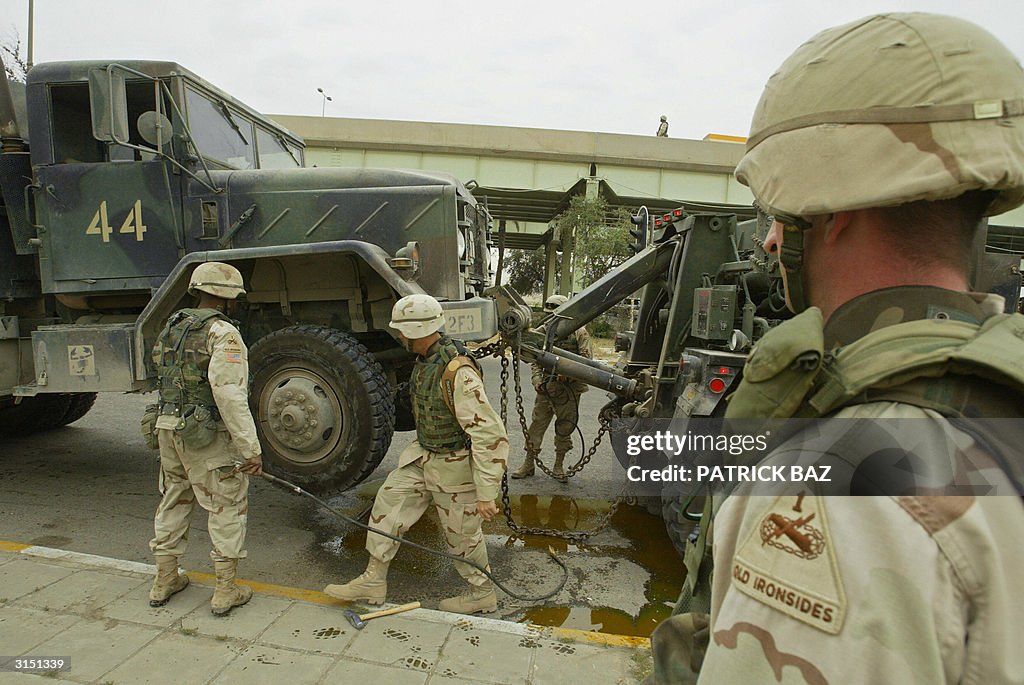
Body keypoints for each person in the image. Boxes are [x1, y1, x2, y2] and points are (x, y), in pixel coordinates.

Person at [648, 12, 1024, 684]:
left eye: (779, 214)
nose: (769, 242)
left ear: (834, 210)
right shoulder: (997, 404)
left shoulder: (845, 482)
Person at [324, 293, 509, 614]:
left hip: (453, 465)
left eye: (402, 330)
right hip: (422, 457)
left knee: (462, 538)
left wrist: (486, 493)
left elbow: (489, 434)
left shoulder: (457, 371)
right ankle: (373, 580)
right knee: (387, 508)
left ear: (417, 331)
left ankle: (482, 593)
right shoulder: (426, 361)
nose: (399, 336)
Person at [147, 261, 263, 617]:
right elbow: (228, 394)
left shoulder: (173, 326)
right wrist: (250, 449)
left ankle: (165, 578)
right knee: (226, 504)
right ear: (228, 299)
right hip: (205, 436)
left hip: (168, 426)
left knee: (174, 498)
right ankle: (225, 590)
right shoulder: (223, 333)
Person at [511, 294, 593, 483]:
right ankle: (528, 464)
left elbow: (586, 362)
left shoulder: (579, 333)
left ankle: (558, 465)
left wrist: (569, 374)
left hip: (569, 391)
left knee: (564, 429)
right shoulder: (544, 331)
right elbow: (534, 359)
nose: (551, 318)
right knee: (536, 426)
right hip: (546, 389)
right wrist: (537, 380)